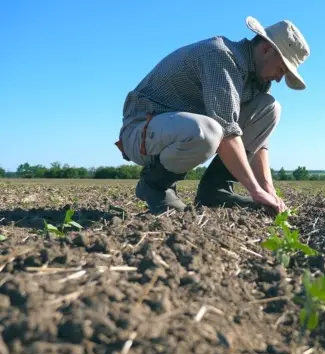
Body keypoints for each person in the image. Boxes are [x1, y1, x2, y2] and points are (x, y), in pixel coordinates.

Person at [114, 16, 310, 214]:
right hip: (140, 131)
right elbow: (226, 131)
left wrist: (269, 191)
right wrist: (255, 190)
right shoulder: (221, 57)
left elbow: (259, 144)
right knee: (209, 131)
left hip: (178, 131)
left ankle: (215, 191)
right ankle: (156, 185)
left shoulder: (257, 78)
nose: (278, 79)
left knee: (270, 107)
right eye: (281, 69)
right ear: (267, 50)